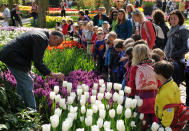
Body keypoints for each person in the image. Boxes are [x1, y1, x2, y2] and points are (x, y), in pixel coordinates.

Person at [0, 30, 65, 110]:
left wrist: (28, 70)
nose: (56, 46)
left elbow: (29, 53)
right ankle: (32, 111)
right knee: (28, 82)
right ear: (54, 38)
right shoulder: (41, 39)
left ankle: (19, 105)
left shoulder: (41, 35)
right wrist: (53, 74)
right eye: (58, 43)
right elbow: (38, 62)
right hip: (12, 57)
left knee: (22, 83)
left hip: (12, 56)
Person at [154, 60, 181, 130]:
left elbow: (169, 110)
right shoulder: (173, 84)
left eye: (154, 71)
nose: (153, 73)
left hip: (164, 121)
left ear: (159, 74)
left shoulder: (166, 93)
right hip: (167, 118)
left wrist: (164, 126)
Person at [164, 10, 189, 85]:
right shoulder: (171, 30)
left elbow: (186, 47)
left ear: (180, 19)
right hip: (168, 59)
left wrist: (174, 54)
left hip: (178, 62)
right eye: (171, 18)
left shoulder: (183, 31)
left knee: (174, 84)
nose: (172, 20)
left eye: (175, 18)